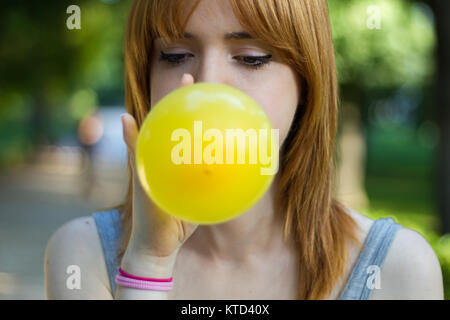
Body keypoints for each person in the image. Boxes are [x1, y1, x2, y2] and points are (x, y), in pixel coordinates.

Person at [44, 0, 444, 300]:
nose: (208, 86)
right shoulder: (83, 254)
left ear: (307, 83)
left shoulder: (396, 269)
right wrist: (148, 265)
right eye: (175, 55)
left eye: (251, 59)